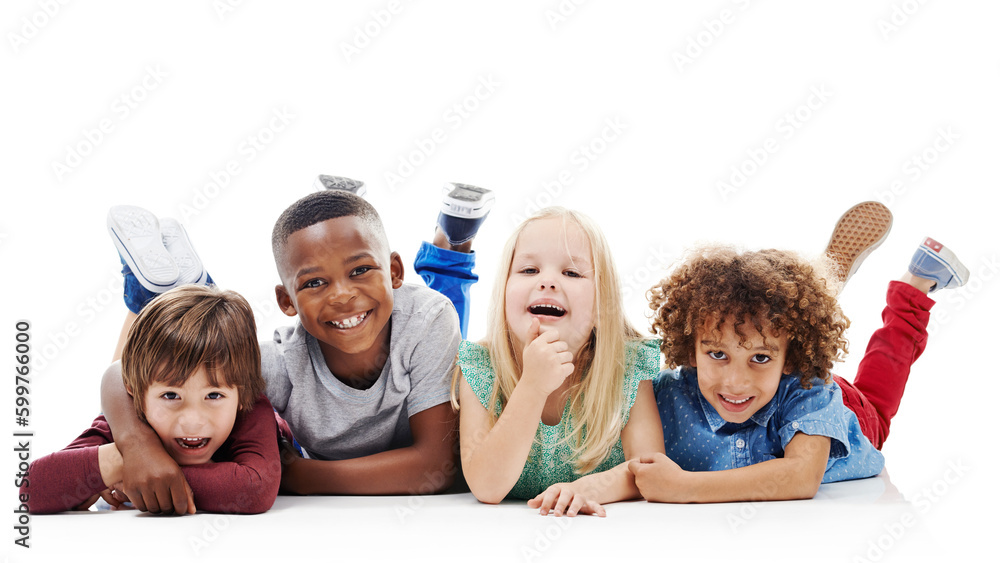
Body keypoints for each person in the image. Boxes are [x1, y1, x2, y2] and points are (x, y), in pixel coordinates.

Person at [100, 179, 492, 512]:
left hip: (417, 318)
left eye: (360, 270)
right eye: (314, 282)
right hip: (382, 317)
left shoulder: (426, 320)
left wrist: (304, 476)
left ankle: (451, 239)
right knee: (208, 351)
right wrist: (136, 447)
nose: (342, 295)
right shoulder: (284, 363)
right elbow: (120, 374)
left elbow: (436, 466)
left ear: (393, 272)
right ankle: (179, 294)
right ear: (286, 301)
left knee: (447, 307)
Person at [630, 202, 969, 502]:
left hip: (829, 405)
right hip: (781, 372)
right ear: (690, 351)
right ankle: (807, 299)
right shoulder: (665, 394)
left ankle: (916, 284)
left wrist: (684, 487)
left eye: (758, 358)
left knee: (879, 395)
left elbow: (802, 476)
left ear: (790, 360)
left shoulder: (809, 388)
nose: (735, 382)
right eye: (718, 355)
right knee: (768, 325)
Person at [453, 207, 665, 517]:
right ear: (503, 290)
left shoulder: (628, 367)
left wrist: (587, 489)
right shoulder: (480, 366)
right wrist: (532, 386)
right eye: (529, 270)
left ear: (601, 302)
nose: (548, 282)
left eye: (572, 273)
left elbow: (650, 470)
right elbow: (487, 487)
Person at [22, 284, 281, 514]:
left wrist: (131, 470)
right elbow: (32, 489)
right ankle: (143, 288)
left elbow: (254, 488)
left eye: (213, 395)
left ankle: (150, 287)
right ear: (136, 394)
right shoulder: (129, 419)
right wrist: (134, 454)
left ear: (241, 395)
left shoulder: (250, 407)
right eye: (171, 395)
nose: (192, 421)